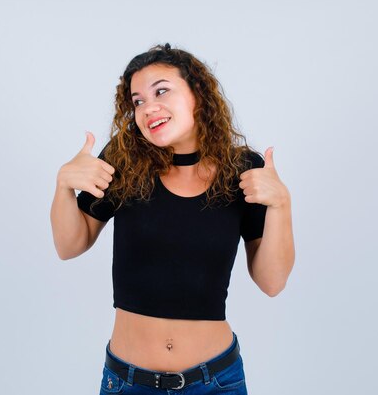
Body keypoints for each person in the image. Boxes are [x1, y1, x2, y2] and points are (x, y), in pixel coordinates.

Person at [51, 43, 295, 394]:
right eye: (137, 101)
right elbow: (69, 245)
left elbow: (272, 282)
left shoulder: (243, 170)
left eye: (161, 91)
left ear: (198, 93)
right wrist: (63, 186)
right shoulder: (124, 159)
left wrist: (281, 204)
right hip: (127, 382)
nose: (149, 107)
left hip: (216, 382)